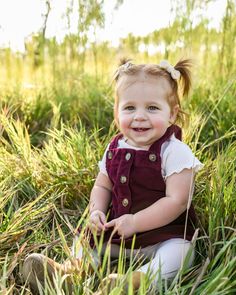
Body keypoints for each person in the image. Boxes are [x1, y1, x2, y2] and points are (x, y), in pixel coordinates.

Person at [22, 59, 203, 293]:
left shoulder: (174, 151)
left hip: (162, 237)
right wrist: (96, 211)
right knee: (87, 240)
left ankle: (138, 282)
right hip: (116, 235)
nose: (139, 116)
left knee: (182, 252)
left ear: (172, 114)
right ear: (117, 113)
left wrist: (136, 222)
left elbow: (178, 201)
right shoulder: (114, 148)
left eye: (152, 108)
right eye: (130, 108)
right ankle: (71, 272)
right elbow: (102, 186)